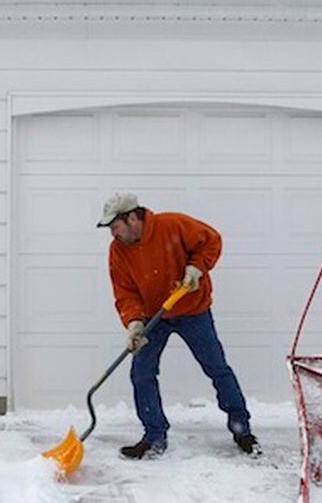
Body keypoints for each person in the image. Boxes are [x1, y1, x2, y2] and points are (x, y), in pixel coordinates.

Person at [96, 192, 259, 460]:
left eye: (115, 226)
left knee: (216, 367)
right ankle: (154, 436)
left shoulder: (171, 225)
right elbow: (124, 291)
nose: (113, 234)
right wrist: (134, 324)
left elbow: (211, 241)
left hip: (193, 309)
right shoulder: (118, 250)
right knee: (141, 374)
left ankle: (242, 429)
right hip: (153, 316)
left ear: (132, 218)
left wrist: (196, 268)